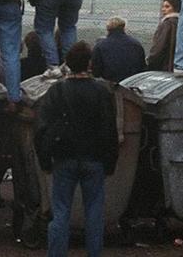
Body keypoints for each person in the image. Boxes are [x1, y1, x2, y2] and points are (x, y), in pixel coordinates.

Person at [36, 41, 119, 257]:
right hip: (94, 158)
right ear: (89, 64)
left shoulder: (57, 91)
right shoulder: (101, 92)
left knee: (61, 212)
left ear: (69, 64)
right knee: (94, 213)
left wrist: (45, 161)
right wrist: (110, 162)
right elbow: (109, 129)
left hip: (64, 157)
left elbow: (42, 128)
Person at [91, 17, 147, 82]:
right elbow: (142, 67)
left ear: (107, 29)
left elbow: (96, 72)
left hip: (110, 82)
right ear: (124, 28)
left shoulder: (100, 46)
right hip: (132, 82)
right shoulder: (136, 44)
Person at [146, 0, 181, 72]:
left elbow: (159, 47)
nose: (163, 9)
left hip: (165, 67)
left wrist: (150, 61)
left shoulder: (167, 24)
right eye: (163, 6)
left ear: (176, 7)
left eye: (167, 7)